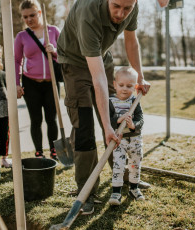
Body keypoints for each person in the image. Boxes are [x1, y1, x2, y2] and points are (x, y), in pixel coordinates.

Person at [57, 0, 150, 215]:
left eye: (127, 8)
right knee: (85, 126)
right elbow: (98, 81)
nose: (121, 13)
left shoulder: (130, 7)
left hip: (102, 56)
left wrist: (140, 78)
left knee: (115, 116)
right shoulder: (89, 14)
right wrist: (106, 126)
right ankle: (87, 191)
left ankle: (123, 174)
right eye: (116, 6)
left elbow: (131, 41)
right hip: (74, 61)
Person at [14, 0, 60, 160]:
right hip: (30, 83)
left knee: (51, 119)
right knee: (36, 120)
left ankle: (54, 150)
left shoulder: (53, 31)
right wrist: (17, 84)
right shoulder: (22, 36)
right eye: (25, 17)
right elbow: (16, 61)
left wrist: (54, 52)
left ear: (40, 13)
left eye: (32, 15)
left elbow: (65, 56)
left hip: (51, 83)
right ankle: (39, 152)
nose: (29, 20)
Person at [108, 67, 145, 206]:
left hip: (135, 139)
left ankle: (134, 188)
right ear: (114, 84)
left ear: (135, 86)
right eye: (121, 85)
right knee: (118, 165)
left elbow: (140, 119)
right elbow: (107, 120)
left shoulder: (134, 101)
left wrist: (133, 125)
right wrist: (118, 120)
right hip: (119, 140)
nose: (124, 89)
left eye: (129, 86)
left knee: (135, 164)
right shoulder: (110, 101)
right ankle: (116, 192)